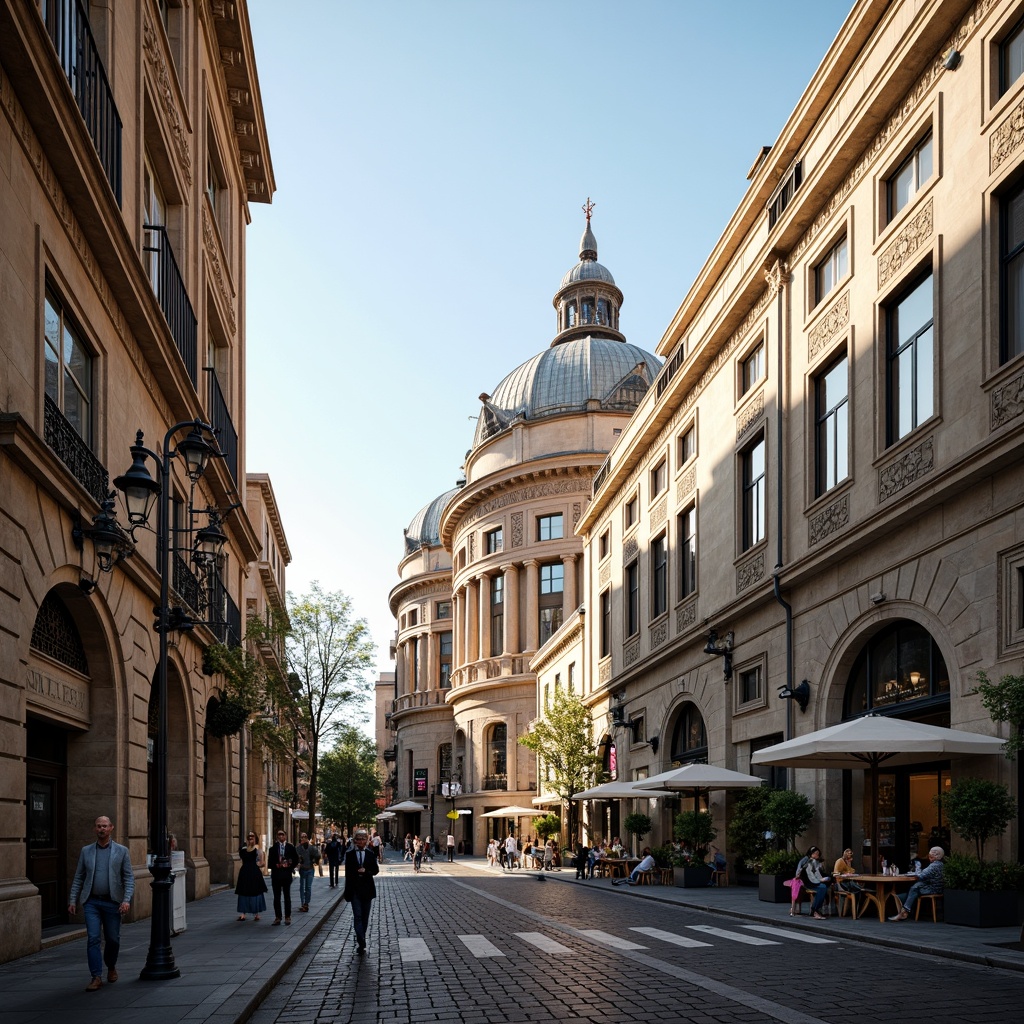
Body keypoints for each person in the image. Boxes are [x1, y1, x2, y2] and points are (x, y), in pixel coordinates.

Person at [67, 815, 135, 991]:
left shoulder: (121, 851)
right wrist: (72, 899)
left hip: (113, 902)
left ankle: (111, 966)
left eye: (105, 826)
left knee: (113, 940)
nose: (101, 829)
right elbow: (79, 877)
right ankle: (96, 976)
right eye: (98, 826)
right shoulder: (86, 851)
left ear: (111, 828)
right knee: (93, 938)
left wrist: (126, 900)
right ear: (94, 829)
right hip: (92, 902)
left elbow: (129, 878)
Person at [344, 828, 380, 953]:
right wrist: (347, 891)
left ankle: (362, 936)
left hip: (367, 890)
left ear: (366, 840)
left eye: (363, 839)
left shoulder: (370, 854)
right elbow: (348, 874)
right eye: (358, 839)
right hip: (355, 890)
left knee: (365, 917)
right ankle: (361, 941)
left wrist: (366, 872)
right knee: (357, 916)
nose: (360, 841)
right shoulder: (349, 855)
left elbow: (375, 870)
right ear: (354, 841)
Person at [889, 846, 944, 921]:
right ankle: (904, 910)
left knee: (914, 888)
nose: (929, 857)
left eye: (931, 855)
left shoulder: (934, 866)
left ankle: (904, 911)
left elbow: (922, 875)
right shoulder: (941, 864)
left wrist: (916, 872)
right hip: (938, 888)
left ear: (937, 856)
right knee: (914, 888)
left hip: (933, 889)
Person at [235, 830, 267, 921]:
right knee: (243, 892)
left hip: (254, 874)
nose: (250, 838)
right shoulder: (243, 850)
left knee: (255, 892)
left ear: (255, 838)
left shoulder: (258, 851)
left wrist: (258, 865)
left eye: (252, 836)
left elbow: (262, 863)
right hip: (244, 873)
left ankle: (256, 914)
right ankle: (243, 914)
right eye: (249, 837)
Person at [267, 829, 298, 925]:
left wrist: (290, 866)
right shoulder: (272, 849)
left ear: (285, 836)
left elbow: (296, 859)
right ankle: (278, 917)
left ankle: (287, 917)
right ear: (277, 836)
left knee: (287, 896)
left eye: (282, 835)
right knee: (276, 897)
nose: (281, 836)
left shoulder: (290, 847)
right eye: (279, 835)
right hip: (276, 875)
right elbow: (269, 863)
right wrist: (276, 865)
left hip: (286, 875)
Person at [801, 846, 831, 919]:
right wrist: (821, 880)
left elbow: (819, 873)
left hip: (815, 881)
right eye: (815, 853)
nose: (817, 854)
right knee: (822, 888)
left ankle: (816, 909)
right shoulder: (809, 862)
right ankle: (816, 910)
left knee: (824, 887)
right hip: (809, 882)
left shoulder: (817, 862)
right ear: (811, 854)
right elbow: (811, 875)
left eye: (817, 853)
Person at [296, 832, 320, 912]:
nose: (303, 838)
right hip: (302, 870)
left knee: (308, 887)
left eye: (305, 837)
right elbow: (296, 857)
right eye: (302, 837)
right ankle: (303, 903)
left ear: (307, 838)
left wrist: (315, 860)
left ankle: (306, 903)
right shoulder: (298, 848)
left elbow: (317, 855)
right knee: (302, 887)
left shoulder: (311, 848)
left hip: (310, 869)